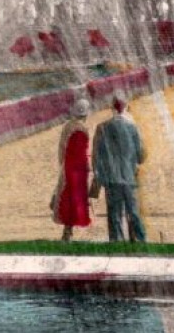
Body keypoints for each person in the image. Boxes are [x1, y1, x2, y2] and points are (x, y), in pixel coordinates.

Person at [91, 96, 146, 243]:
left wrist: (98, 174)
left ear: (112, 108)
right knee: (133, 212)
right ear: (126, 107)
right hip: (128, 176)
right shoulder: (132, 127)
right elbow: (141, 155)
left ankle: (117, 242)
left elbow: (96, 155)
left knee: (114, 214)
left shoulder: (102, 128)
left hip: (111, 177)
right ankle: (139, 241)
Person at [51, 97, 92, 242]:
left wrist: (63, 164)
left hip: (68, 167)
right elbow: (84, 152)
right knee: (76, 199)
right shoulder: (83, 129)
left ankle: (67, 231)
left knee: (67, 197)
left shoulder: (67, 127)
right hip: (79, 169)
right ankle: (68, 231)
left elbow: (62, 149)